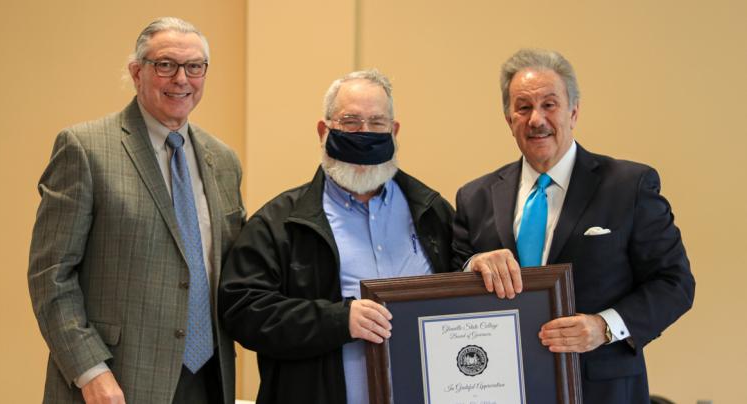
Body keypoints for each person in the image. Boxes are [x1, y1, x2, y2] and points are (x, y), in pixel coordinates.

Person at [452, 48, 695, 403]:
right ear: (508, 119)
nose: (536, 119)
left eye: (549, 104)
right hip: (501, 385)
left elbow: (675, 284)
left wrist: (604, 327)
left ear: (574, 111)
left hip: (601, 388)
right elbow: (449, 279)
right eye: (523, 107)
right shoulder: (475, 197)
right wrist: (472, 266)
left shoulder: (629, 186)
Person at [28, 17, 244, 404]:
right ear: (136, 72)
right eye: (165, 64)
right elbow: (51, 276)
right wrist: (90, 370)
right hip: (114, 381)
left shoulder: (223, 160)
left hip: (209, 380)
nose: (181, 78)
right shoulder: (85, 148)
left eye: (194, 67)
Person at [218, 69, 455, 404]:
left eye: (377, 123)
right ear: (323, 130)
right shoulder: (279, 223)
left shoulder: (433, 213)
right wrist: (338, 320)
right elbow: (243, 311)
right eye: (350, 121)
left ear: (394, 131)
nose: (364, 134)